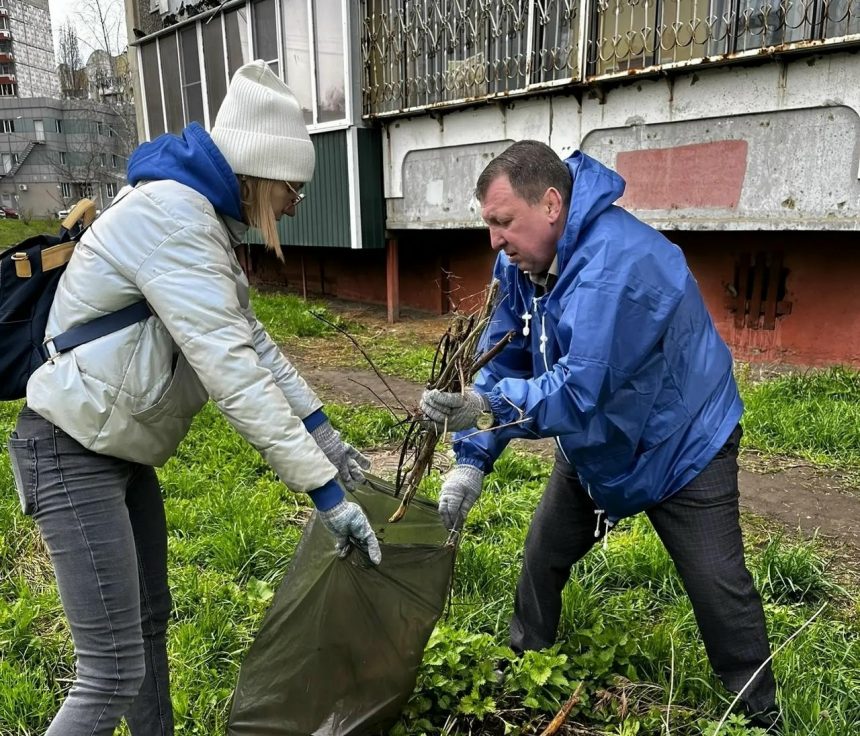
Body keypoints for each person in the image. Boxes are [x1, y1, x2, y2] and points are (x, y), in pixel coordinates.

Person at [6, 60, 380, 736]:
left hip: (113, 446)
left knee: (148, 627)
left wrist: (323, 433)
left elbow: (253, 341)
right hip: (69, 448)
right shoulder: (175, 218)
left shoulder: (196, 218)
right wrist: (325, 494)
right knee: (110, 671)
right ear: (262, 174)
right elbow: (232, 373)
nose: (296, 202)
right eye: (294, 186)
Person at [420, 140, 779, 729]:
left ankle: (759, 714)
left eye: (503, 222)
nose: (495, 241)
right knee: (543, 555)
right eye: (489, 225)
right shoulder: (520, 263)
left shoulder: (620, 265)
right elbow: (504, 359)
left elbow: (580, 388)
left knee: (718, 585)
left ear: (553, 204)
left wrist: (485, 407)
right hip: (597, 442)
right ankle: (524, 663)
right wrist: (471, 460)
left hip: (680, 444)